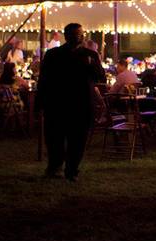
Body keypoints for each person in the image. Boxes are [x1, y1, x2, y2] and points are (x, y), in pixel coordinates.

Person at [36, 23, 105, 181]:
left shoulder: (90, 55)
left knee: (78, 140)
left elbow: (100, 77)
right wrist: (41, 103)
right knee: (55, 138)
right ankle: (55, 167)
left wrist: (92, 64)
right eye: (74, 34)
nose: (78, 37)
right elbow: (44, 79)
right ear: (66, 36)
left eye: (80, 34)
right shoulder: (53, 54)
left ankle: (72, 170)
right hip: (57, 103)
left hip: (82, 103)